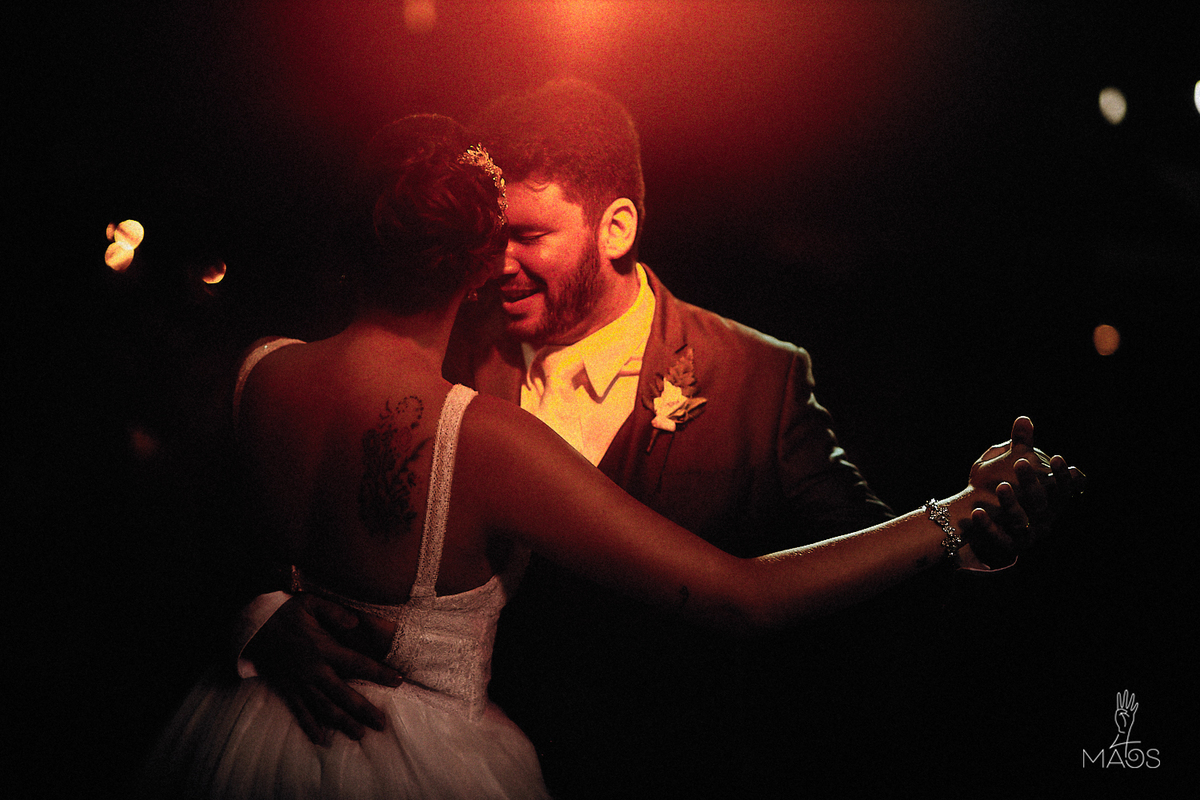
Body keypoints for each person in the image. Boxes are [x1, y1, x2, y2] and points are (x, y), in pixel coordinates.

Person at [224, 85, 1081, 796]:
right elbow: (269, 502)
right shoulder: (439, 336)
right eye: (490, 239)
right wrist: (261, 614)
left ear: (617, 228)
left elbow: (854, 566)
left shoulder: (757, 379)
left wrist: (969, 528)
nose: (497, 264)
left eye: (526, 237)